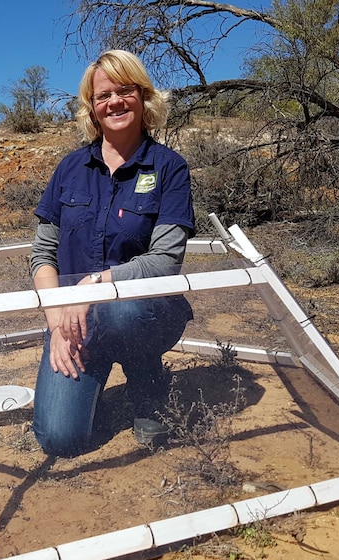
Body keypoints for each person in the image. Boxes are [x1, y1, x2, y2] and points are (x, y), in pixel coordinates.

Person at [30, 49, 195, 456]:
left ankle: (147, 383)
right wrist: (57, 325)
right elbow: (42, 255)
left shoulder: (169, 168)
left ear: (144, 98)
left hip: (144, 314)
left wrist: (92, 287)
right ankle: (93, 376)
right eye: (104, 95)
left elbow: (165, 261)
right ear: (92, 107)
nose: (115, 102)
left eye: (126, 91)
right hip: (75, 322)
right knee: (60, 439)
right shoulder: (69, 169)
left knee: (123, 311)